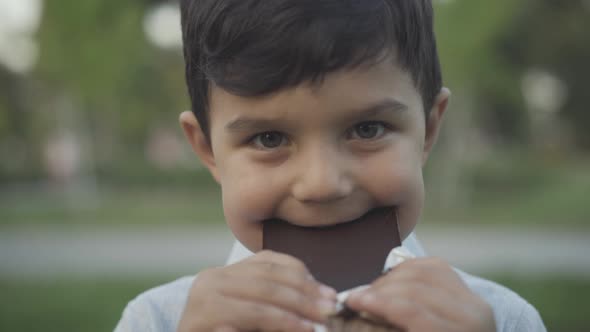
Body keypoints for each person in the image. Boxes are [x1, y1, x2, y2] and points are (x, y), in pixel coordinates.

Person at [115, 1, 547, 331]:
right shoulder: (158, 321)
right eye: (269, 139)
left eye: (368, 129)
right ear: (208, 150)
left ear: (428, 131)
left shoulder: (501, 319)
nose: (321, 184)